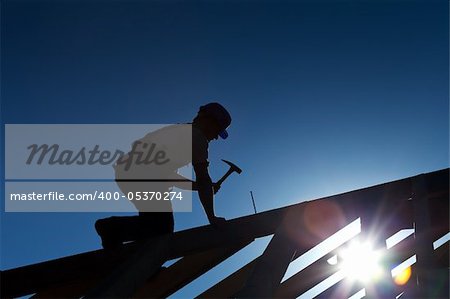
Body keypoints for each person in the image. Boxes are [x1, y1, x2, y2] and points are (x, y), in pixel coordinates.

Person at [95, 103, 231, 249]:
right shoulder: (197, 137)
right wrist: (212, 217)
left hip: (129, 172)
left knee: (153, 225)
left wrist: (201, 188)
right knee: (161, 228)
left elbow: (168, 176)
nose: (216, 137)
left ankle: (122, 250)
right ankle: (112, 229)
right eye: (218, 130)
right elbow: (203, 177)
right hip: (144, 175)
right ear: (209, 120)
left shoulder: (179, 132)